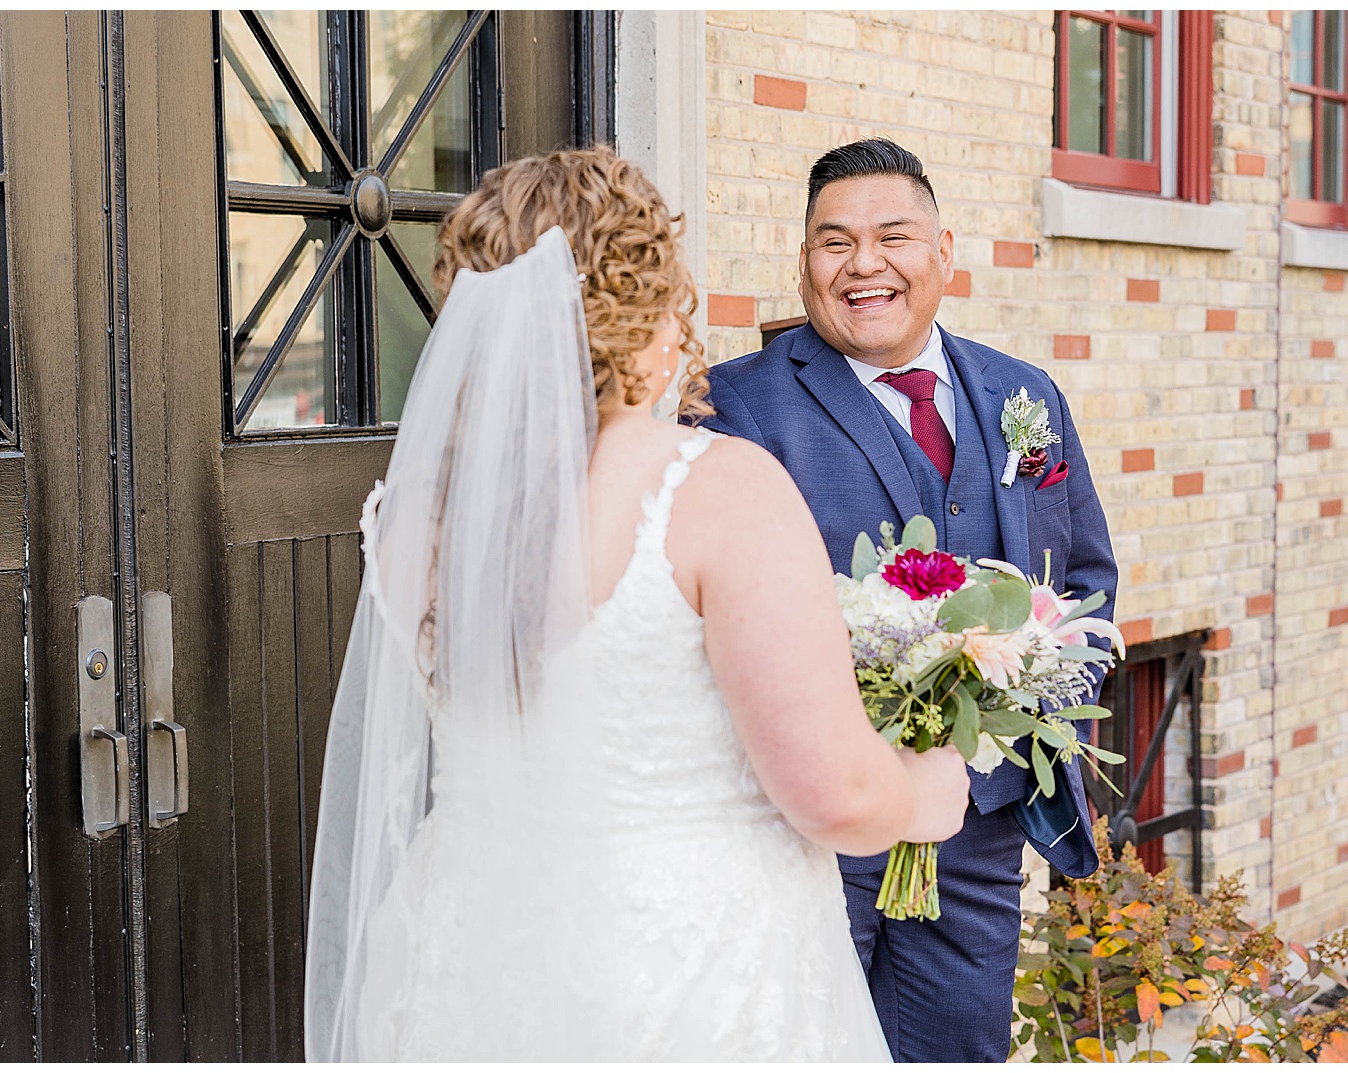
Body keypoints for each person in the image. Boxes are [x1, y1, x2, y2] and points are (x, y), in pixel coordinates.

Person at [302, 146, 973, 1062]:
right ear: (645, 311)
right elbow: (836, 794)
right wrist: (929, 790)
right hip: (684, 970)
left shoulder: (414, 517)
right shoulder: (717, 487)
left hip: (465, 954)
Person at [695, 138, 1120, 1062]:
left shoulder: (1023, 394)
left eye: (894, 236)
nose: (865, 265)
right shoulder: (733, 406)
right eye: (834, 242)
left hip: (981, 829)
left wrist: (1025, 712)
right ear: (804, 262)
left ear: (944, 252)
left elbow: (1085, 586)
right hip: (813, 835)